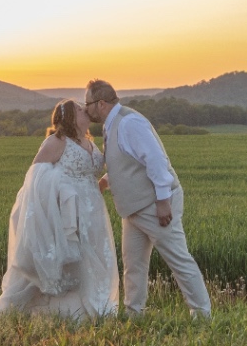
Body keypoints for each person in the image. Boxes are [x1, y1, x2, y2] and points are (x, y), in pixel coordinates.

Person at [84, 78, 211, 317]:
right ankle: (134, 314)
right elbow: (128, 162)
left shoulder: (129, 122)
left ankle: (202, 314)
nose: (85, 109)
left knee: (178, 260)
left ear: (100, 103)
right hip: (133, 210)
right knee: (133, 264)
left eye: (87, 103)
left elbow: (155, 160)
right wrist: (105, 182)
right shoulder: (111, 125)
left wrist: (163, 202)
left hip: (154, 206)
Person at [0, 98, 119, 319]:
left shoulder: (89, 142)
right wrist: (65, 190)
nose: (85, 110)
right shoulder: (57, 141)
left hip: (93, 210)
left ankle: (98, 307)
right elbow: (36, 178)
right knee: (75, 260)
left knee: (94, 256)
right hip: (69, 212)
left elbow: (94, 174)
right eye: (79, 109)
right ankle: (67, 312)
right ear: (70, 117)